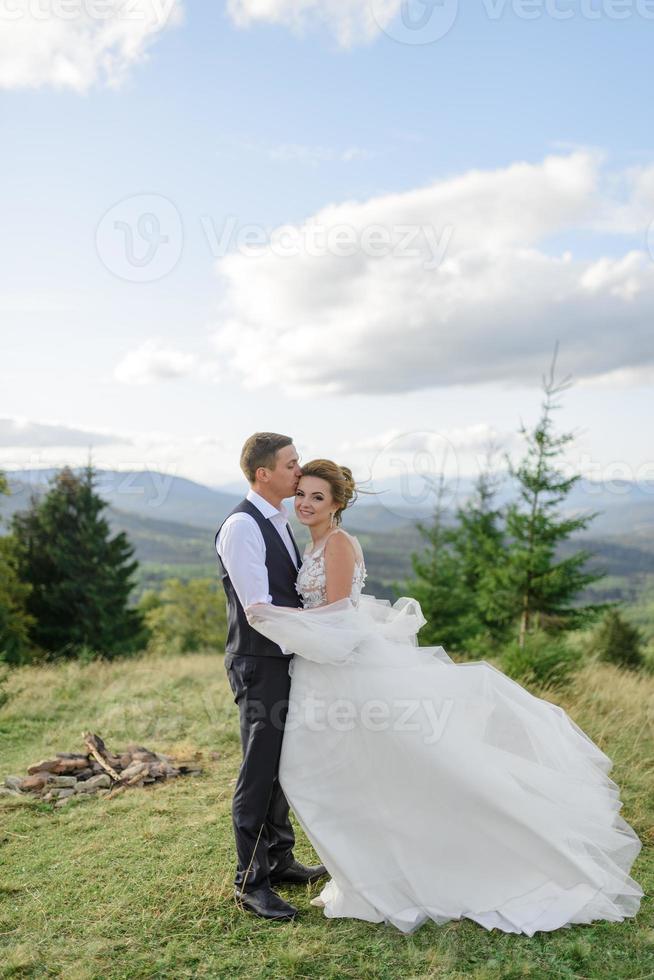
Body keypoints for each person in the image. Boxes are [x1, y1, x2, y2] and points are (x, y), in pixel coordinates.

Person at [245, 459, 644, 935]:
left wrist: (274, 622)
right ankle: (367, 871)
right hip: (321, 673)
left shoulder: (337, 545)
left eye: (317, 497)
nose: (305, 504)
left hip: (344, 673)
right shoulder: (310, 542)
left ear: (337, 505)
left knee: (364, 771)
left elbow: (337, 619)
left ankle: (413, 869)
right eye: (302, 494)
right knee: (338, 772)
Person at [215, 433, 327, 922]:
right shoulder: (243, 525)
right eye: (291, 464)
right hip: (260, 662)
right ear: (264, 473)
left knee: (282, 763)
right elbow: (258, 609)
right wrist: (315, 637)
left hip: (283, 658)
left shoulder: (276, 521)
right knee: (259, 770)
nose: (298, 472)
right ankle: (250, 881)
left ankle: (280, 859)